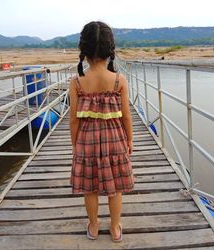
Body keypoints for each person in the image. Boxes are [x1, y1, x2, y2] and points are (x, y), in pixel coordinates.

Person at [69, 21, 134, 243]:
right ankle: (115, 227)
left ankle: (95, 226)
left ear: (84, 51)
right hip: (115, 140)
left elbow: (73, 120)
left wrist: (74, 144)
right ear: (110, 51)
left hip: (86, 142)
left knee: (90, 188)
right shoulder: (119, 80)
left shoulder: (77, 82)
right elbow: (126, 116)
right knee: (115, 188)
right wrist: (130, 140)